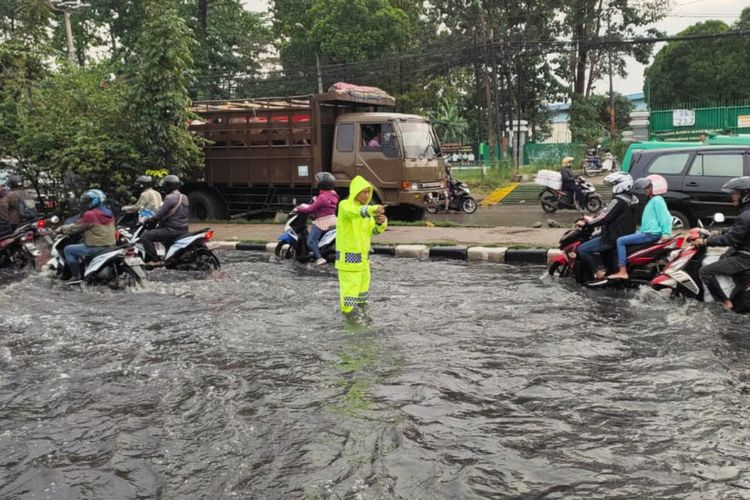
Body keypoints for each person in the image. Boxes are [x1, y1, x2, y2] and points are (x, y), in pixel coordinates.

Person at [693, 176, 750, 311]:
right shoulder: (746, 213)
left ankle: (724, 302)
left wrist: (705, 241)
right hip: (744, 253)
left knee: (706, 271)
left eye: (735, 193)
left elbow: (731, 239)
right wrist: (720, 232)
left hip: (744, 258)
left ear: (746, 194)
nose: (732, 197)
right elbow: (739, 231)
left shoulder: (746, 215)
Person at [335, 175, 387, 316]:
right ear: (355, 192)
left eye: (368, 192)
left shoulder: (365, 212)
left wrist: (381, 222)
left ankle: (361, 320)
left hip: (364, 263)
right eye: (364, 192)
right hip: (349, 264)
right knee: (349, 299)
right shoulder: (345, 206)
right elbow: (355, 213)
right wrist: (372, 210)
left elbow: (374, 231)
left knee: (362, 298)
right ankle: (348, 324)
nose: (367, 195)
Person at [607, 174, 672, 280]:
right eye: (645, 187)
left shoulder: (657, 200)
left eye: (648, 187)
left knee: (620, 241)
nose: (645, 189)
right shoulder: (653, 200)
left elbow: (665, 217)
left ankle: (622, 271)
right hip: (646, 232)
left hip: (651, 234)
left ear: (656, 187)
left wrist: (666, 233)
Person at [576, 172, 638, 281]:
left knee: (582, 249)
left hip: (613, 237)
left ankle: (597, 273)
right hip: (625, 233)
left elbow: (604, 217)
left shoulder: (619, 200)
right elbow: (607, 212)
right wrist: (593, 217)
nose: (613, 187)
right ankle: (606, 268)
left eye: (614, 184)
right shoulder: (632, 198)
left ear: (622, 184)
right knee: (594, 239)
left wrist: (587, 223)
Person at [59, 189, 116, 281]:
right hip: (111, 245)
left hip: (96, 247)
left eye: (88, 200)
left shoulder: (90, 214)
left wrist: (62, 229)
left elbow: (75, 227)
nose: (86, 203)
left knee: (68, 249)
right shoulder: (109, 213)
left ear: (95, 200)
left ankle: (76, 276)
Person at [140, 175, 188, 261]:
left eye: (165, 186)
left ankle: (154, 260)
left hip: (171, 229)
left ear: (169, 186)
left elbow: (158, 215)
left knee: (145, 236)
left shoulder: (170, 198)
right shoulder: (184, 197)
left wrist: (147, 220)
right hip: (184, 229)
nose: (163, 188)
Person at [296, 172, 340, 266]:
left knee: (310, 241)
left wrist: (299, 209)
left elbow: (311, 209)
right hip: (333, 220)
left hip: (322, 221)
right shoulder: (333, 194)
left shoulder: (322, 197)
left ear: (321, 184)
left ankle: (319, 258)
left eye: (318, 182)